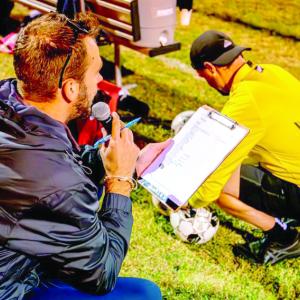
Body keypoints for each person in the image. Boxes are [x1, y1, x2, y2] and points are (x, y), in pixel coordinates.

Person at [0, 12, 163, 300]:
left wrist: (105, 159)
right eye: (97, 71)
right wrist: (120, 180)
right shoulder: (58, 183)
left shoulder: (9, 102)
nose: (101, 80)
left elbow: (39, 177)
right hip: (11, 284)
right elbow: (101, 273)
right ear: (71, 88)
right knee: (145, 295)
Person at [189, 30, 300, 264]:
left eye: (203, 76)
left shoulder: (245, 101)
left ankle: (284, 237)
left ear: (210, 68)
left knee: (217, 188)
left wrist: (191, 202)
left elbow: (217, 175)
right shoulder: (274, 72)